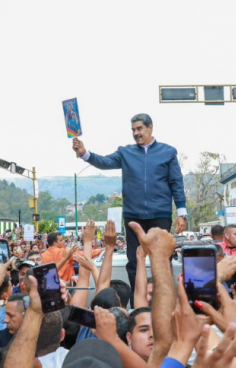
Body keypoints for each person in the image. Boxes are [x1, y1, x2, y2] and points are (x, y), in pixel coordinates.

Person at [72, 113, 187, 298]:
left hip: (160, 214)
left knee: (162, 260)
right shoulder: (125, 152)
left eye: (139, 128)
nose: (136, 133)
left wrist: (182, 212)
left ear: (150, 128)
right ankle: (138, 301)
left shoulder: (168, 152)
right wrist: (85, 153)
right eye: (133, 130)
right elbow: (105, 162)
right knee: (134, 261)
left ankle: (162, 300)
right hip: (134, 215)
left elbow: (176, 183)